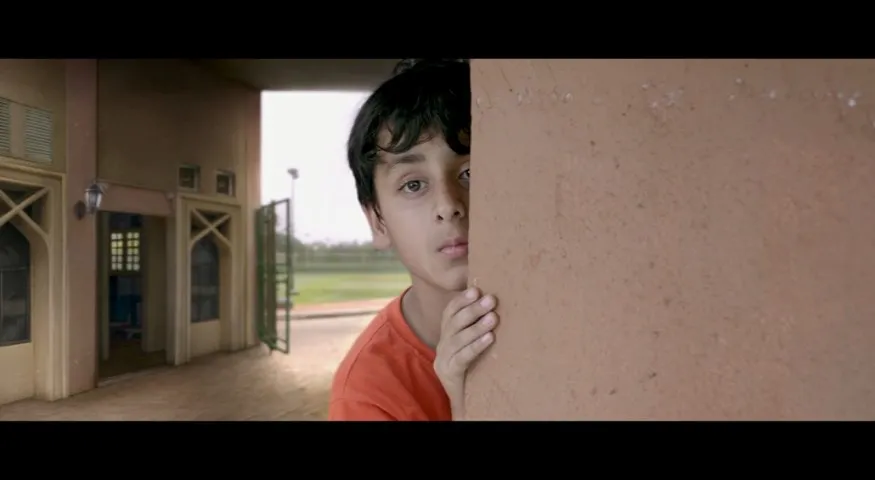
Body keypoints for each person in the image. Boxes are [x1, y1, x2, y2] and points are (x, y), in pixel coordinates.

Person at [327, 59, 499, 421]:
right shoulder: (368, 393)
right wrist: (467, 404)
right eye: (414, 184)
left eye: (471, 172)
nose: (448, 205)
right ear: (378, 222)